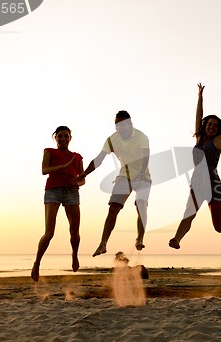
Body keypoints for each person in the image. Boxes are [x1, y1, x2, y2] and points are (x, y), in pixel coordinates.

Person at [169, 83, 221, 249]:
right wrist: (200, 97)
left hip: (213, 186)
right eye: (209, 124)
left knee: (219, 228)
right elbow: (198, 116)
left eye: (214, 125)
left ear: (218, 129)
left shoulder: (218, 142)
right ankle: (176, 239)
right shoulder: (200, 139)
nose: (211, 126)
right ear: (205, 126)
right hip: (197, 182)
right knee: (188, 214)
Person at [75, 111, 151, 256]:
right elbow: (99, 159)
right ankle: (103, 243)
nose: (119, 128)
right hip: (124, 176)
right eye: (117, 125)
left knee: (141, 204)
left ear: (130, 124)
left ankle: (140, 238)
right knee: (113, 208)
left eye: (122, 124)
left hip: (143, 176)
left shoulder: (141, 137)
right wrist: (84, 174)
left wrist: (142, 172)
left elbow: (145, 156)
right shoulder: (112, 139)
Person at [31, 126, 84, 282]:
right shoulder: (49, 151)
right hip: (53, 191)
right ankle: (36, 263)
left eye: (66, 136)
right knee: (49, 233)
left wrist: (78, 182)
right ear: (55, 138)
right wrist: (62, 167)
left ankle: (74, 255)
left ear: (70, 138)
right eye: (60, 136)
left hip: (72, 192)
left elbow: (82, 178)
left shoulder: (77, 157)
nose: (63, 139)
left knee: (74, 232)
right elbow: (44, 170)